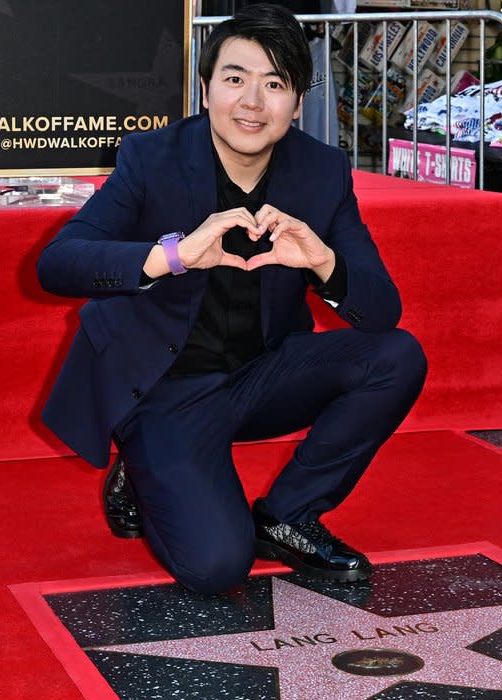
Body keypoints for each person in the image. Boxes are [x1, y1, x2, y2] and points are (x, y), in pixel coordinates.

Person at [37, 3, 426, 594]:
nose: (252, 102)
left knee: (396, 356)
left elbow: (382, 310)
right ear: (205, 88)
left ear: (297, 103)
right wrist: (168, 257)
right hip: (164, 388)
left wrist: (323, 262)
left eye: (275, 84)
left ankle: (289, 515)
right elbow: (57, 263)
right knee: (217, 567)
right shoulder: (152, 159)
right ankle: (143, 468)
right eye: (235, 79)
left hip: (261, 374)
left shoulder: (320, 170)